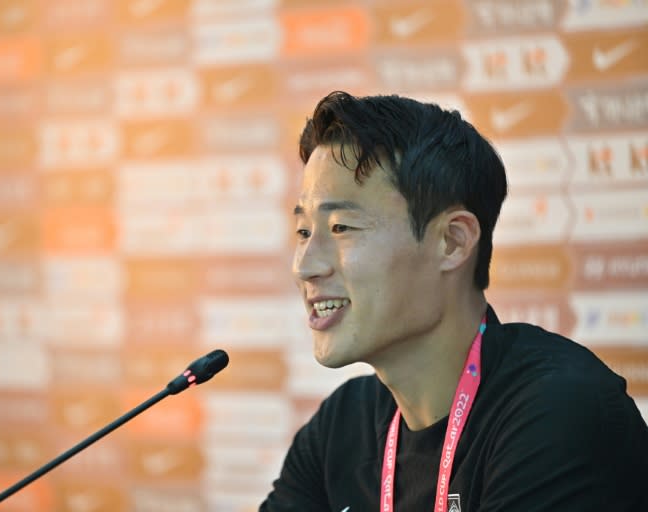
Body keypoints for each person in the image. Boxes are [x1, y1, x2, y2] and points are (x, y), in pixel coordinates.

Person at [259, 91, 648, 511]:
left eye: (341, 227)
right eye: (303, 232)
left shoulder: (559, 410)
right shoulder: (341, 426)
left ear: (451, 242)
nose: (305, 265)